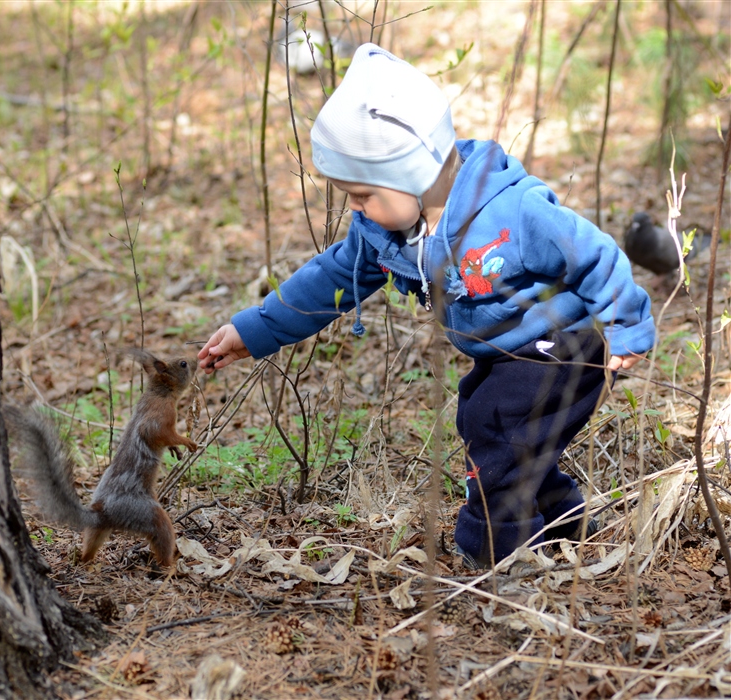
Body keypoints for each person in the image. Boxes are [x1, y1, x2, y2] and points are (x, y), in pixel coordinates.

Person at [197, 43, 655, 568]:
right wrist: (254, 330)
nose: (354, 206)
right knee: (497, 427)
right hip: (506, 350)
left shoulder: (511, 211)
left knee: (497, 427)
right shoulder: (386, 232)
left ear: (414, 172)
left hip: (565, 340)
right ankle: (561, 520)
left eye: (363, 193)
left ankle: (499, 553)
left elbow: (593, 254)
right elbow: (331, 279)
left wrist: (627, 324)